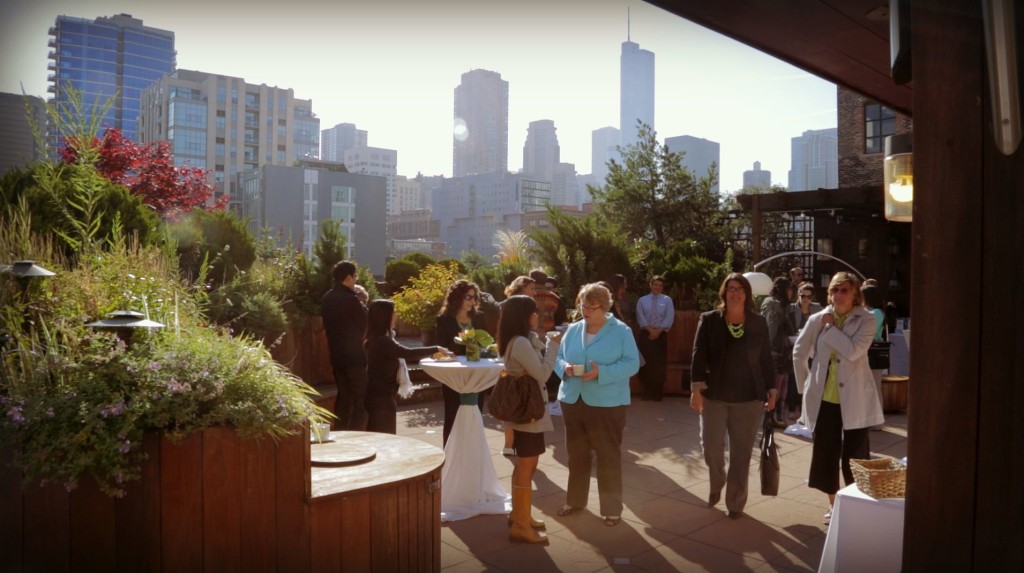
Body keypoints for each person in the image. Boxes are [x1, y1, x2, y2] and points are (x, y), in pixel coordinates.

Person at [792, 272, 884, 526]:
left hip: (855, 399)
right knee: (825, 454)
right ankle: (834, 506)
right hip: (825, 400)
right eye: (835, 290)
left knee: (856, 456)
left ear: (855, 294)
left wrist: (831, 327)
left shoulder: (866, 319)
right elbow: (798, 354)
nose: (839, 295)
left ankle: (858, 503)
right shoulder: (815, 319)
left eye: (844, 290)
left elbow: (854, 351)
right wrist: (806, 387)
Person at [690, 273, 776, 519]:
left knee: (742, 453)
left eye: (740, 288)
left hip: (749, 398)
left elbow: (766, 358)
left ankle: (735, 503)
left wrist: (772, 389)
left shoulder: (758, 322)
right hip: (714, 395)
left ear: (747, 293)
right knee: (710, 448)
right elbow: (698, 355)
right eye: (731, 288)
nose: (735, 293)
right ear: (724, 292)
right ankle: (717, 481)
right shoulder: (709, 320)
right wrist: (696, 390)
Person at [555, 283, 640, 527]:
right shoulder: (573, 329)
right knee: (576, 456)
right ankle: (575, 501)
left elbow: (632, 364)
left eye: (592, 307)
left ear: (605, 307)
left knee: (608, 457)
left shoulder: (621, 331)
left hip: (607, 403)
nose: (586, 311)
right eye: (583, 306)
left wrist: (601, 373)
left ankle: (612, 510)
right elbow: (558, 358)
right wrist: (564, 368)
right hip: (573, 399)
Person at [498, 295, 562, 544]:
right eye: (534, 312)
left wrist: (542, 340)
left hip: (523, 413)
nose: (538, 316)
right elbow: (543, 374)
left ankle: (519, 514)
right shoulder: (521, 343)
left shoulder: (518, 340)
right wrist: (554, 345)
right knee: (527, 466)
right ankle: (521, 525)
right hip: (528, 414)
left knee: (524, 466)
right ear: (524, 316)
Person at [365, 299, 448, 434]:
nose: (396, 315)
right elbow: (407, 353)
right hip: (381, 398)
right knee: (384, 438)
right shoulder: (383, 341)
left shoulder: (378, 338)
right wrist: (436, 348)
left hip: (380, 395)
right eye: (394, 312)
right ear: (385, 316)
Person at [435, 279, 489, 448]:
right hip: (454, 375)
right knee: (453, 414)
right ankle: (449, 455)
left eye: (475, 298)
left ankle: (472, 453)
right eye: (469, 297)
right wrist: (459, 343)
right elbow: (439, 346)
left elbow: (487, 342)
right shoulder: (444, 320)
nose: (473, 301)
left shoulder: (479, 318)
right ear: (457, 298)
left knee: (475, 414)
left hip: (475, 374)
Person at [321, 260, 369, 430]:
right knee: (360, 398)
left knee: (343, 397)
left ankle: (340, 431)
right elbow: (365, 324)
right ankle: (357, 433)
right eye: (355, 277)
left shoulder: (327, 298)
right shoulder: (351, 299)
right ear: (348, 277)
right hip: (354, 356)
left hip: (336, 356)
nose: (356, 280)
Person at [761, 277, 797, 426]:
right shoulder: (782, 306)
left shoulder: (768, 303)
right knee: (780, 382)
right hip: (780, 349)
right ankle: (775, 416)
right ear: (785, 289)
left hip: (773, 348)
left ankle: (772, 416)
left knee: (777, 382)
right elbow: (788, 329)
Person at [635, 275, 674, 401]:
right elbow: (640, 317)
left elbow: (669, 316)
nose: (657, 287)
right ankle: (646, 391)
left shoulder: (667, 300)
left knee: (659, 364)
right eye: (655, 284)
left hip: (661, 335)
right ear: (650, 285)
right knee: (646, 363)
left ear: (662, 287)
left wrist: (658, 331)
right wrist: (650, 330)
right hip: (646, 335)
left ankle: (657, 393)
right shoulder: (642, 300)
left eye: (660, 285)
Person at [861, 282, 888, 421]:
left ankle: (877, 421)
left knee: (875, 388)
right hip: (867, 353)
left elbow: (869, 331)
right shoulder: (871, 311)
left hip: (873, 353)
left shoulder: (875, 313)